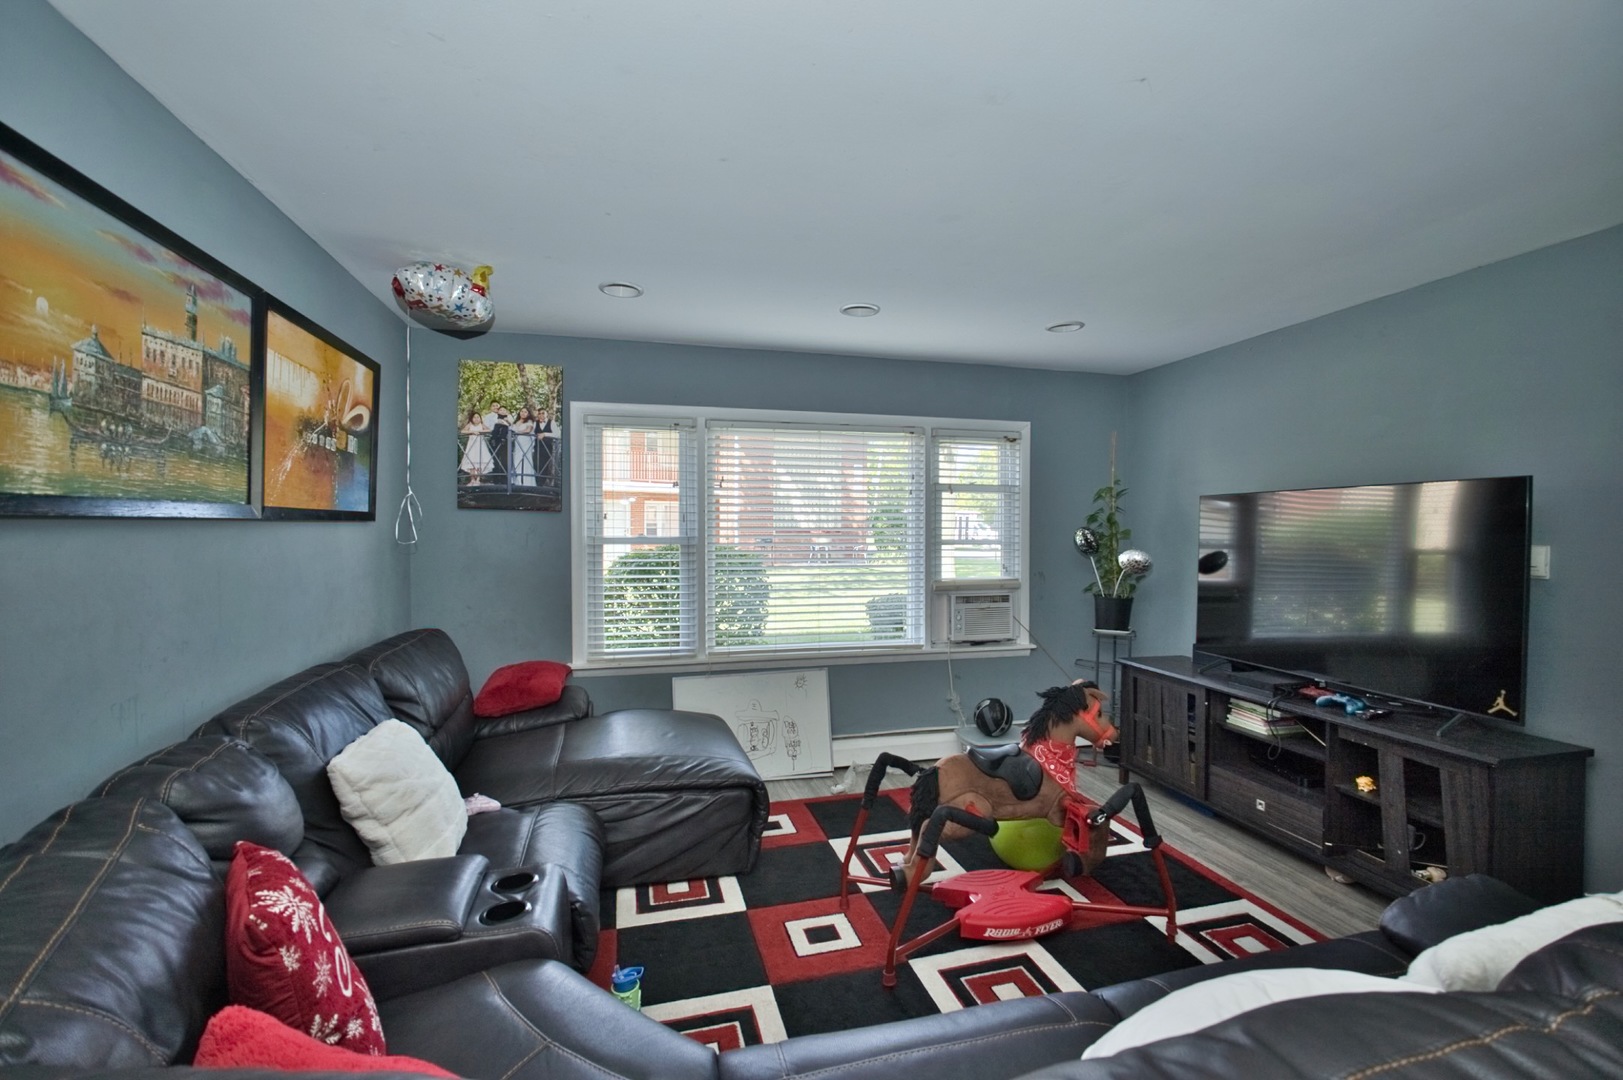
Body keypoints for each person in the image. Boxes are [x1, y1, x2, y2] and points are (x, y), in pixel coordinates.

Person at [459, 408, 493, 484]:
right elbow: (462, 431)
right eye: (474, 417)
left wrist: (480, 431)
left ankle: (478, 479)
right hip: (471, 445)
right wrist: (472, 432)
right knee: (471, 460)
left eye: (478, 417)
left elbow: (489, 430)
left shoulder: (482, 425)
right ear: (472, 418)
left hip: (480, 445)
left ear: (480, 418)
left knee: (480, 460)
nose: (476, 419)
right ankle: (472, 479)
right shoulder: (470, 425)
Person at [510, 406, 538, 486]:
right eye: (522, 411)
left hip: (525, 441)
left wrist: (517, 432)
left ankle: (526, 481)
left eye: (525, 412)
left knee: (525, 459)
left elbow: (528, 430)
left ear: (528, 414)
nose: (523, 413)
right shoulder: (517, 421)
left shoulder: (529, 421)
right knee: (517, 459)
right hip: (517, 441)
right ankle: (518, 480)